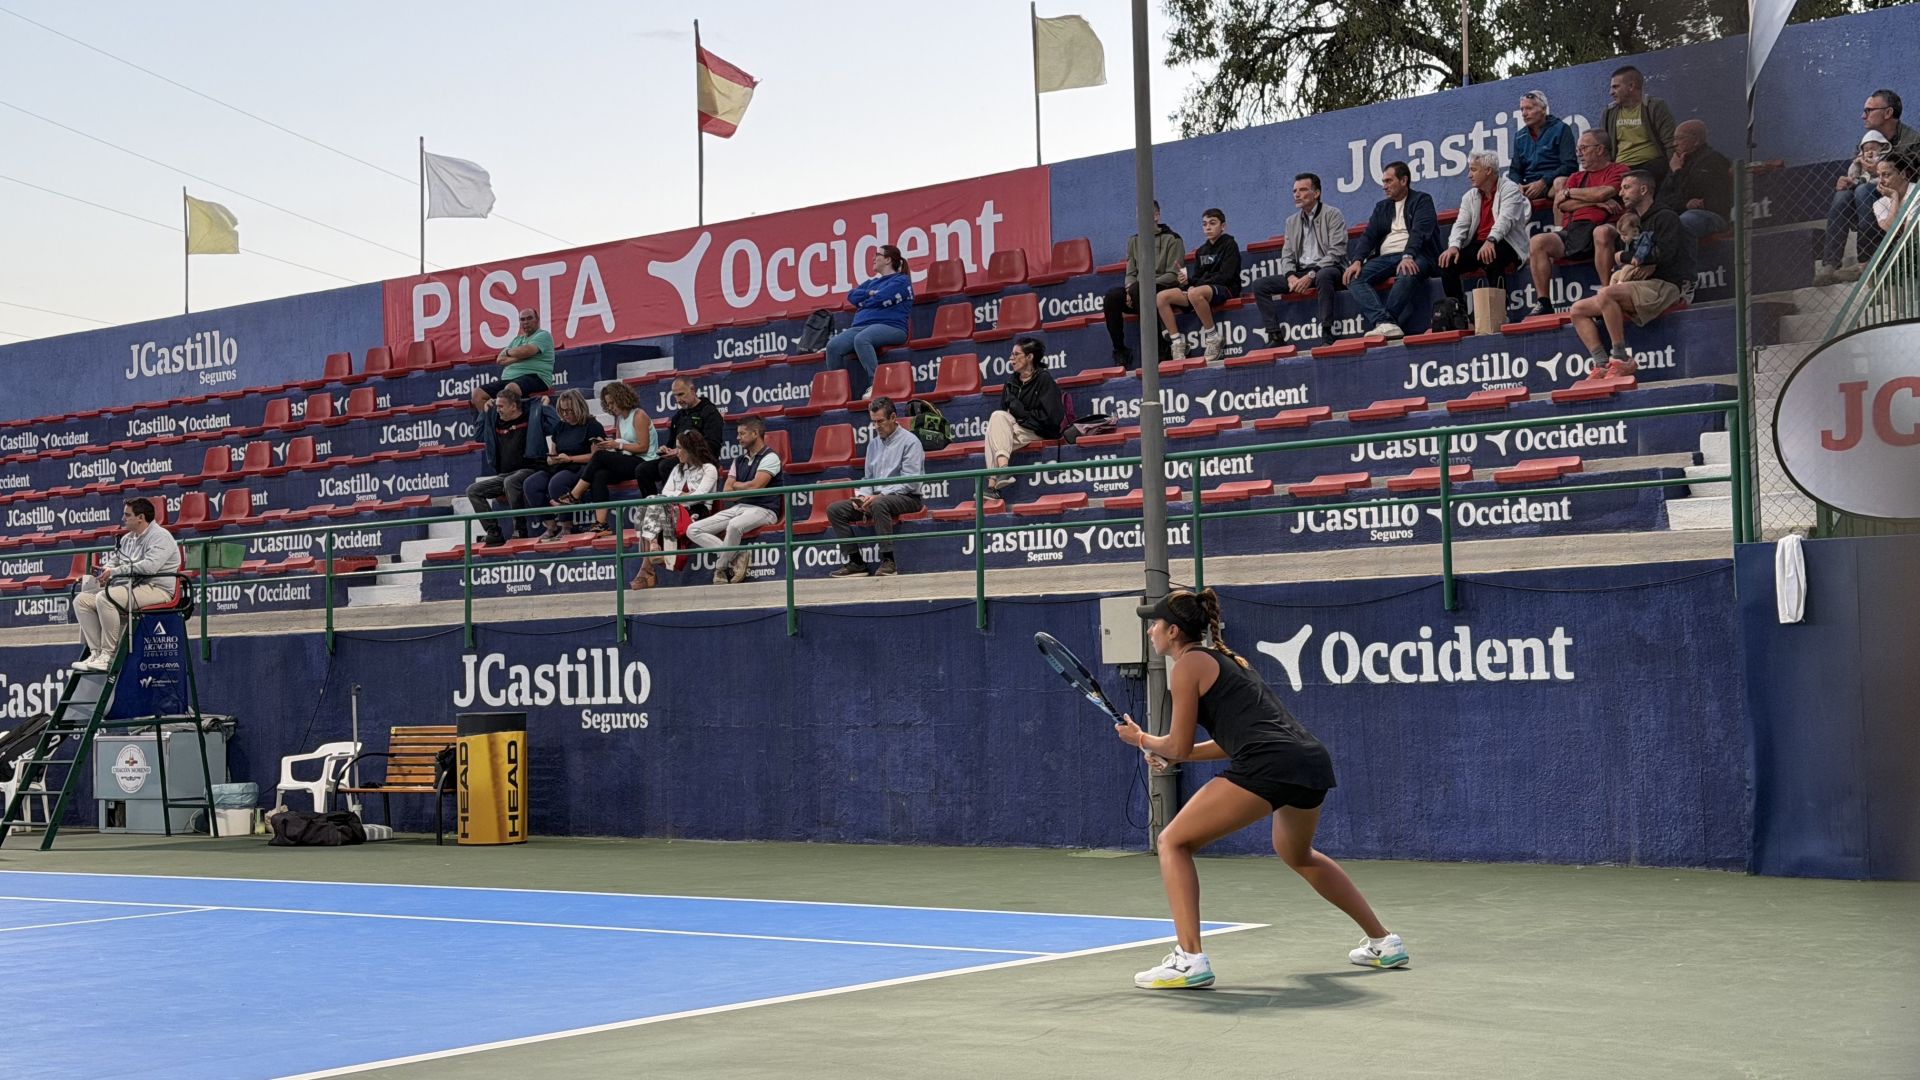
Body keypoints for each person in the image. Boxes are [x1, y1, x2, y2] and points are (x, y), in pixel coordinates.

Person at [1113, 589, 1406, 989]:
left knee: (1173, 842)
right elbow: (1230, 742)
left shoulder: (1188, 665)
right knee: (1298, 854)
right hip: (1308, 761)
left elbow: (1177, 745)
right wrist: (1169, 751)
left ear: (1174, 631)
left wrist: (1145, 740)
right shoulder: (1229, 660)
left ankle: (1190, 960)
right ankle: (1384, 942)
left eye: (1155, 625)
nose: (1151, 633)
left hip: (1270, 763)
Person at [1567, 170, 1695, 379]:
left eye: (1627, 187)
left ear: (1643, 190)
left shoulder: (1665, 217)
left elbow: (1664, 255)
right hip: (1639, 285)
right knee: (1578, 309)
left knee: (1606, 294)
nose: (1621, 192)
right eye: (1621, 188)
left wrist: (1625, 257)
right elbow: (1639, 258)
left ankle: (1621, 358)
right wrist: (1636, 259)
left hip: (1664, 285)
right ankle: (1602, 364)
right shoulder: (1632, 221)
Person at [1819, 91, 1920, 282]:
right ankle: (1830, 265)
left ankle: (1867, 262)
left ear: (1888, 112)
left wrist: (1878, 173)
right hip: (1870, 195)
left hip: (1898, 200)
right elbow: (1857, 171)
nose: (1862, 115)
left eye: (1868, 110)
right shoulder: (1865, 141)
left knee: (1863, 190)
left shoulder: (1913, 141)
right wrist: (1847, 180)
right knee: (1843, 195)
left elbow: (1913, 180)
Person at [1526, 130, 1628, 316]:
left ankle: (1607, 294)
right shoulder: (1575, 178)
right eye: (1577, 149)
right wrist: (1594, 202)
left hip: (1608, 228)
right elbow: (1562, 204)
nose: (1579, 153)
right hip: (1574, 230)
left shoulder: (1619, 170)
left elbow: (1603, 192)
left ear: (1600, 149)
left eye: (1583, 148)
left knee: (1601, 233)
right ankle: (1544, 302)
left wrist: (1570, 193)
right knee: (1537, 241)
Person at [73, 498, 181, 673]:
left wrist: (115, 572)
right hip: (131, 586)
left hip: (157, 589)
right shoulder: (127, 539)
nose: (123, 518)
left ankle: (108, 655)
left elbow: (150, 567)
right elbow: (115, 560)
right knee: (82, 600)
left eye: (127, 515)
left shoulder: (161, 537)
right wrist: (105, 570)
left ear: (140, 517)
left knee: (105, 598)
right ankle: (96, 653)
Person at [827, 397, 924, 578]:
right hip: (877, 498)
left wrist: (880, 495)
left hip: (908, 497)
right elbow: (868, 478)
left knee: (880, 504)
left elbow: (911, 481)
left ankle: (889, 560)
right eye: (873, 422)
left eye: (880, 421)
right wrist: (862, 495)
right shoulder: (873, 445)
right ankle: (856, 562)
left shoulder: (911, 442)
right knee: (835, 510)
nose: (877, 426)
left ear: (893, 417)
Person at [1342, 161, 1440, 339]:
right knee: (1354, 277)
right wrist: (1357, 260)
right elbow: (1368, 236)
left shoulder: (1422, 200)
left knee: (1407, 270)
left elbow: (1420, 232)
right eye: (1383, 182)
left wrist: (1408, 255)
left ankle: (1387, 322)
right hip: (1387, 256)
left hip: (1417, 254)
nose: (1384, 186)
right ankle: (1385, 321)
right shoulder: (1382, 207)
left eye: (1388, 181)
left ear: (1404, 180)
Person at [1250, 173, 1347, 350]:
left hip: (1329, 268)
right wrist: (1290, 276)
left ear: (1316, 193)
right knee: (1259, 285)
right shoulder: (1291, 221)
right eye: (1295, 191)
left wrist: (1311, 274)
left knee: (1323, 275)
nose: (1297, 194)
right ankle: (1275, 335)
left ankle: (1327, 332)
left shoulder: (1332, 214)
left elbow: (1336, 251)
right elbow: (1287, 255)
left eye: (1302, 190)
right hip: (1301, 271)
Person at [688, 417, 784, 585]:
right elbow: (726, 492)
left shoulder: (771, 457)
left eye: (742, 434)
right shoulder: (738, 460)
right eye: (738, 434)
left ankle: (720, 568)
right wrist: (744, 488)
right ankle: (737, 556)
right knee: (693, 529)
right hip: (740, 507)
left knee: (734, 525)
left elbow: (756, 487)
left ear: (755, 433)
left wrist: (738, 486)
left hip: (765, 509)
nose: (738, 438)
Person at [1440, 151, 1531, 326]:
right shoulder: (1470, 196)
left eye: (1474, 170)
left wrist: (1491, 240)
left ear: (1488, 171)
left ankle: (1499, 312)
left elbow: (1506, 219)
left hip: (1507, 242)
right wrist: (1453, 246)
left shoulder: (1510, 188)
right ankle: (1460, 313)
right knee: (1447, 263)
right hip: (1481, 243)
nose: (1469, 175)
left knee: (1491, 255)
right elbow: (1461, 224)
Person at [554, 381, 655, 536]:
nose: (611, 407)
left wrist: (616, 445)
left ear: (622, 398)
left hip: (645, 461)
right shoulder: (620, 419)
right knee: (599, 474)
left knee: (599, 456)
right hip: (629, 459)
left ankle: (574, 495)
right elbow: (621, 445)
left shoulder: (639, 415)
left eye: (612, 402)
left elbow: (643, 447)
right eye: (608, 403)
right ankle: (601, 524)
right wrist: (608, 445)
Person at [629, 430, 719, 591]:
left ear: (691, 449)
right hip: (672, 509)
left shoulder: (709, 469)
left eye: (679, 448)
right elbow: (664, 493)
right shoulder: (678, 468)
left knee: (654, 503)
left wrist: (677, 496)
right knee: (650, 500)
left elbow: (697, 498)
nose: (676, 452)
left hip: (697, 512)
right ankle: (653, 545)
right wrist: (681, 494)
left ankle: (647, 566)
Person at [464, 383, 554, 545]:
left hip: (532, 469)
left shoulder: (532, 415)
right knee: (473, 490)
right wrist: (484, 413)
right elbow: (478, 436)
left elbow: (555, 426)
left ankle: (520, 529)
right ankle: (494, 531)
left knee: (511, 481)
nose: (497, 409)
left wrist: (545, 408)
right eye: (496, 406)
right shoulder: (495, 420)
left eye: (501, 406)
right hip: (505, 474)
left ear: (514, 406)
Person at [1103, 201, 1185, 368]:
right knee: (1112, 297)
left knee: (1139, 290)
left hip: (1163, 287)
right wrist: (1129, 289)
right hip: (1137, 291)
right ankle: (1120, 350)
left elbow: (1173, 275)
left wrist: (1144, 285)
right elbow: (1131, 273)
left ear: (1156, 216)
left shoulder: (1173, 239)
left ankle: (1160, 348)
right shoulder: (1133, 241)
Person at [826, 245, 913, 400]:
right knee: (833, 346)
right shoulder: (871, 283)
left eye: (877, 254)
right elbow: (852, 296)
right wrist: (869, 294)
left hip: (892, 327)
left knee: (862, 338)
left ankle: (876, 385)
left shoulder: (901, 280)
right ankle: (836, 391)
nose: (873, 258)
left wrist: (865, 301)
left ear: (887, 260)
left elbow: (882, 297)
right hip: (861, 327)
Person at [1156, 209, 1241, 363]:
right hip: (1201, 290)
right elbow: (1197, 277)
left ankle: (1213, 337)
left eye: (1212, 223)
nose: (1208, 227)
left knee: (1195, 293)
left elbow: (1226, 276)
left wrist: (1196, 285)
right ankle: (1177, 343)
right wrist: (1187, 281)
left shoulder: (1230, 244)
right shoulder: (1201, 251)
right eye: (1204, 224)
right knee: (1162, 297)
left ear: (1223, 226)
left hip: (1226, 288)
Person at [983, 336, 1064, 495]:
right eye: (1011, 355)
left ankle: (992, 484)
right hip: (1018, 430)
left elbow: (1052, 418)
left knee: (993, 435)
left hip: (1038, 431)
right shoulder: (1010, 382)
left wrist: (1022, 414)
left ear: (1030, 357)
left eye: (1016, 354)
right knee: (996, 419)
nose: (1011, 359)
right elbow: (1004, 412)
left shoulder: (1044, 379)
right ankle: (1002, 472)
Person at [523, 389, 605, 541]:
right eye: (562, 411)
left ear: (578, 408)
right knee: (531, 484)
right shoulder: (560, 427)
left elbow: (597, 456)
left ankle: (566, 526)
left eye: (569, 411)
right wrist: (552, 459)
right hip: (561, 464)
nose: (566, 414)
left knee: (557, 483)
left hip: (582, 465)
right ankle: (550, 525)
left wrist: (570, 459)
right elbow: (553, 451)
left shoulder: (593, 425)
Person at [1657, 120, 1734, 240]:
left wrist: (1677, 172)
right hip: (1680, 213)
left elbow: (1694, 192)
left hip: (1711, 216)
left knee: (1684, 223)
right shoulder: (1677, 162)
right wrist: (1685, 204)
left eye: (1680, 138)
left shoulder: (1714, 161)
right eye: (1674, 139)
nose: (1674, 144)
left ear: (1696, 140)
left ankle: (1686, 259)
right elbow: (1662, 199)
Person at [471, 308, 555, 413]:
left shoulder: (543, 335)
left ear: (537, 320)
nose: (526, 322)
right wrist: (520, 355)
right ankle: (491, 425)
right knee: (477, 394)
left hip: (536, 377)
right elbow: (500, 359)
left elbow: (526, 350)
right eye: (522, 319)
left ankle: (511, 424)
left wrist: (511, 353)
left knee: (510, 390)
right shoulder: (517, 340)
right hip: (510, 380)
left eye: (529, 318)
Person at [1603, 65, 1676, 182]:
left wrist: (1675, 173)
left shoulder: (1654, 106)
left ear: (1631, 86)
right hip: (1620, 168)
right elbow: (1604, 147)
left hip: (1652, 166)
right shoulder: (1609, 112)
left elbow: (1670, 142)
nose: (1611, 92)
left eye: (1616, 87)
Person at [1508, 90, 1578, 201]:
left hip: (1551, 184)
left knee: (1559, 183)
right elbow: (1515, 170)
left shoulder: (1561, 129)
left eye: (1529, 108)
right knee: (1506, 189)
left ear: (1544, 109)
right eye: (1522, 109)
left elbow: (1570, 165)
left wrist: (1544, 182)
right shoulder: (1519, 136)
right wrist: (1518, 185)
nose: (1524, 114)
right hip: (1528, 187)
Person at [1873, 151, 1918, 233]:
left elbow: (1910, 231)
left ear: (1903, 174)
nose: (1881, 181)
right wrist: (1894, 197)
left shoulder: (1917, 191)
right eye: (1879, 176)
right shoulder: (1879, 203)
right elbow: (1891, 230)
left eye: (1886, 175)